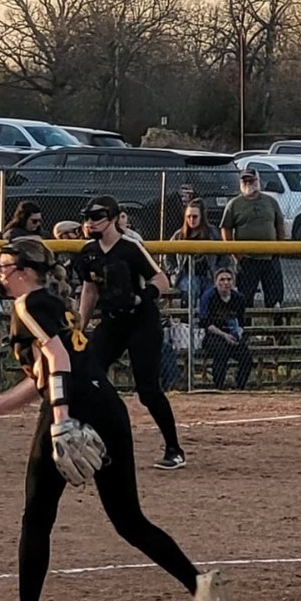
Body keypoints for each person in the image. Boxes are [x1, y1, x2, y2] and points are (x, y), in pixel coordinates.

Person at [0, 236, 234, 601]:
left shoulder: (27, 304)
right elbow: (42, 376)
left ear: (22, 273)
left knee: (37, 516)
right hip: (107, 406)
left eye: (4, 268)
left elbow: (58, 360)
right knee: (129, 520)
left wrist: (62, 419)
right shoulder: (53, 304)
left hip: (74, 408)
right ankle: (201, 587)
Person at [75, 195, 186, 471]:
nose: (91, 222)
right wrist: (81, 326)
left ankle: (174, 449)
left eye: (97, 217)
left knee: (148, 390)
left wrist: (143, 297)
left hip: (141, 322)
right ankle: (98, 443)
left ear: (113, 218)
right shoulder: (88, 252)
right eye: (88, 217)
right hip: (111, 323)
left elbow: (161, 278)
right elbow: (89, 289)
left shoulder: (130, 248)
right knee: (88, 377)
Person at [220, 167, 286, 309]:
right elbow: (226, 228)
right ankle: (246, 328)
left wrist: (280, 247)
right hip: (247, 260)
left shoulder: (270, 202)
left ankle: (277, 328)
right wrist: (236, 254)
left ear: (258, 181)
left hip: (270, 258)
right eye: (245, 180)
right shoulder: (234, 204)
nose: (248, 183)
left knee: (275, 298)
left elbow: (279, 224)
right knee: (245, 298)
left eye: (251, 180)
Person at [199, 267, 253, 389]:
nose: (226, 283)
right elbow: (206, 324)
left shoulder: (238, 298)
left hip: (232, 334)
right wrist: (224, 335)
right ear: (215, 282)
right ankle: (219, 386)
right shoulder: (209, 297)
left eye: (229, 279)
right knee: (221, 353)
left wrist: (238, 332)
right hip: (214, 335)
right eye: (222, 280)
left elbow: (242, 321)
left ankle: (240, 386)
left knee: (246, 357)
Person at [164, 199, 228, 302]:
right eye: (188, 217)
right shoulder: (180, 235)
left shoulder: (212, 234)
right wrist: (174, 271)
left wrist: (219, 271)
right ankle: (186, 317)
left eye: (195, 217)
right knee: (192, 288)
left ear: (201, 217)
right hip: (185, 275)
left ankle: (207, 318)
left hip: (209, 275)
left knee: (210, 293)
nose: (191, 220)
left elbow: (224, 255)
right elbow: (167, 254)